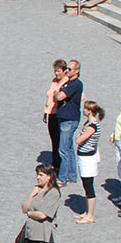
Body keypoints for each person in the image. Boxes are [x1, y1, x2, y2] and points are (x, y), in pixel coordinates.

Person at [19, 163, 60, 243]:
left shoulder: (53, 193)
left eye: (41, 175)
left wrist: (29, 214)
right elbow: (24, 208)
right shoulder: (37, 191)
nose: (38, 177)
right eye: (37, 175)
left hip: (44, 236)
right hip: (31, 235)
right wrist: (31, 196)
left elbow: (43, 215)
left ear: (49, 176)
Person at [54, 59, 85, 187]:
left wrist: (57, 94)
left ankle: (63, 178)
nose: (66, 70)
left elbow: (59, 96)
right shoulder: (68, 83)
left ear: (77, 71)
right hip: (66, 118)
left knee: (63, 149)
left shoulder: (75, 84)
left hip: (69, 119)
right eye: (66, 68)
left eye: (70, 69)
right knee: (69, 148)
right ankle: (72, 174)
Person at [73, 102, 103, 223]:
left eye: (85, 109)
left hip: (88, 158)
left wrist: (79, 136)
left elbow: (79, 140)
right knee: (86, 185)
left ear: (90, 111)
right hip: (84, 156)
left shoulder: (92, 126)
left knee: (89, 186)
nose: (83, 110)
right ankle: (87, 212)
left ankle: (90, 215)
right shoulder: (89, 124)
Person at [44, 59, 69, 176]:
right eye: (55, 71)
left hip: (59, 114)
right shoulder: (54, 81)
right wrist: (45, 111)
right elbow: (49, 97)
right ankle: (56, 163)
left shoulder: (66, 82)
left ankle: (60, 165)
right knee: (54, 139)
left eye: (58, 71)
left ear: (64, 71)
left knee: (60, 141)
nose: (56, 74)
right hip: (51, 113)